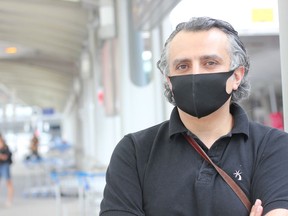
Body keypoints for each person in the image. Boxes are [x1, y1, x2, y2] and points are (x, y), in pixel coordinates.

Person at [100, 17, 288, 215]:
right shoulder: (134, 152)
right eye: (183, 66)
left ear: (237, 76)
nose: (195, 75)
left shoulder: (273, 147)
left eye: (210, 63)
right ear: (169, 80)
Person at [0, 134, 14, 206]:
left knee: (8, 183)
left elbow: (7, 157)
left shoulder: (6, 147)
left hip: (5, 165)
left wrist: (2, 157)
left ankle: (9, 200)